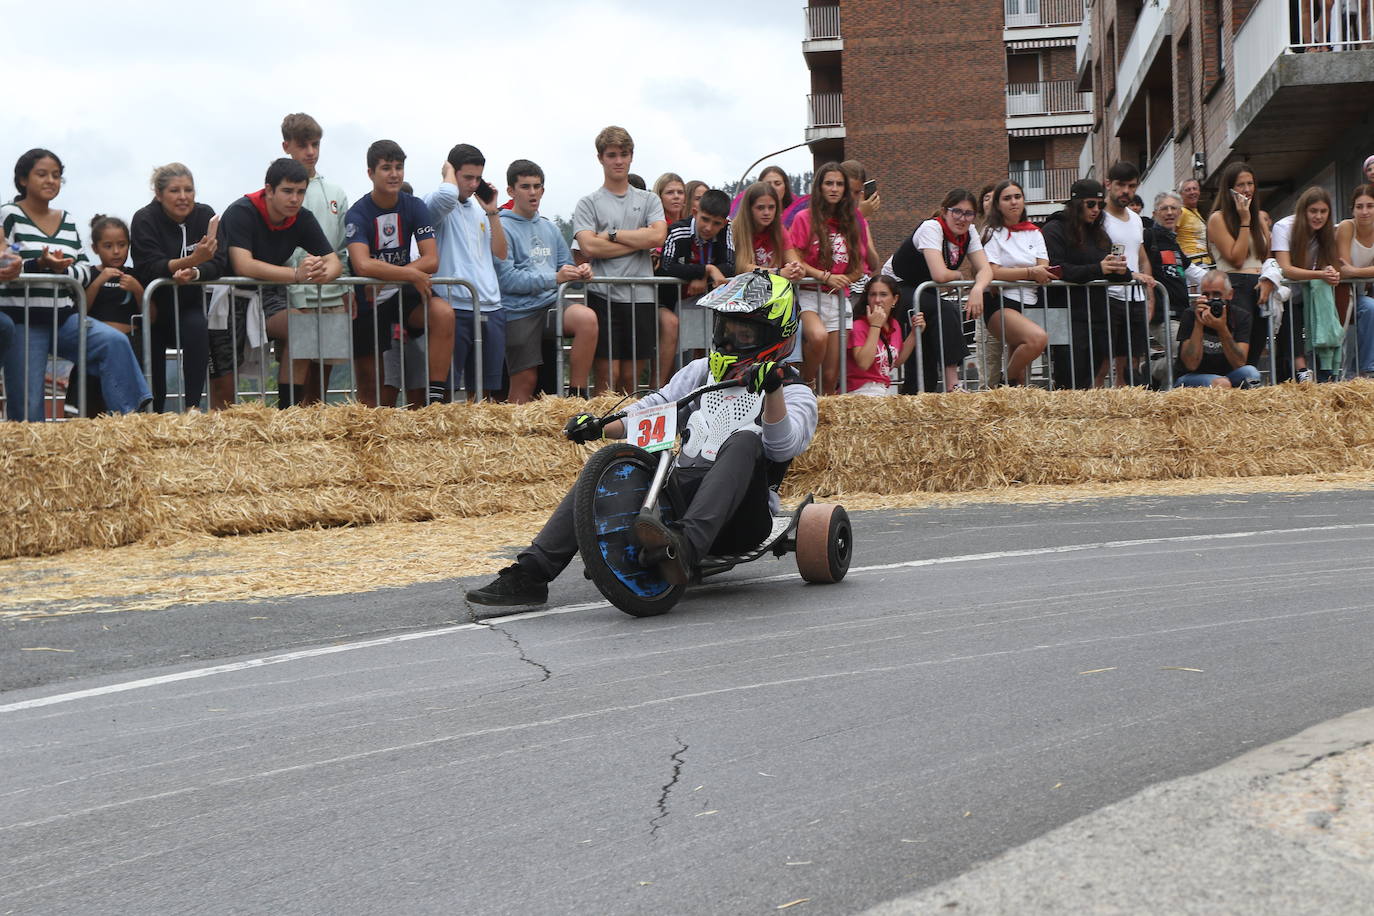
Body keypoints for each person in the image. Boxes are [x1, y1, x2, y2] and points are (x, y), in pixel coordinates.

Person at [465, 271, 816, 608]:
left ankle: (685, 552)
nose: (729, 342)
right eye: (726, 330)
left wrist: (772, 391)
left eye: (743, 335)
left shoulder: (795, 392)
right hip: (681, 502)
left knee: (746, 441)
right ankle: (531, 573)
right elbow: (656, 409)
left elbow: (783, 446)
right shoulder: (700, 372)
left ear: (775, 335)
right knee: (616, 461)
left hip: (742, 518)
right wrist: (603, 426)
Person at [1, 149, 151, 420]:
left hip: (64, 318)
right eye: (42, 174)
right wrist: (40, 264)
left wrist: (63, 268)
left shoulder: (67, 220)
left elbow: (84, 267)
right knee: (28, 406)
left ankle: (130, 422)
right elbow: (7, 261)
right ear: (23, 179)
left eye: (56, 176)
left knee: (113, 342)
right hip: (23, 319)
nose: (51, 181)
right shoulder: (9, 215)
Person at [214, 157, 342, 409]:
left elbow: (334, 261)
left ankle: (288, 415)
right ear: (269, 190)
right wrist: (296, 275)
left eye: (300, 192)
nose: (294, 198)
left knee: (304, 328)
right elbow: (244, 265)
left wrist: (322, 273)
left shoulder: (302, 218)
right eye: (287, 191)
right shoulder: (241, 211)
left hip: (268, 293)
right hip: (228, 297)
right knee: (223, 388)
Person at [344, 140, 455, 407]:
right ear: (370, 173)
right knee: (373, 391)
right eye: (386, 168)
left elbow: (431, 260)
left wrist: (402, 276)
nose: (394, 174)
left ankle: (436, 401)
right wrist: (412, 274)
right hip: (368, 302)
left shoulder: (415, 206)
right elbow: (362, 265)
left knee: (444, 313)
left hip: (402, 294)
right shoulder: (357, 213)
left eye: (399, 167)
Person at [572, 126, 667, 394]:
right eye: (612, 155)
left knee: (631, 376)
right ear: (601, 158)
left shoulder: (649, 199)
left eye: (623, 154)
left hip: (642, 295)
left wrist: (613, 236)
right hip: (604, 294)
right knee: (608, 374)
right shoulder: (588, 203)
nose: (618, 161)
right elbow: (588, 246)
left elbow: (658, 236)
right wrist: (638, 241)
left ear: (631, 156)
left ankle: (631, 431)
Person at [494, 158, 597, 402]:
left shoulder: (548, 227)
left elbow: (566, 267)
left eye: (537, 186)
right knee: (525, 383)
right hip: (518, 310)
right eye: (525, 186)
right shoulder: (501, 227)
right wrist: (555, 278)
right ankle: (514, 433)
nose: (533, 192)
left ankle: (576, 399)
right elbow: (507, 280)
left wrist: (580, 272)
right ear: (511, 191)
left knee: (587, 319)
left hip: (551, 305)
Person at [881, 188, 993, 393]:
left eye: (968, 214)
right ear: (944, 211)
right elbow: (940, 275)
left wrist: (977, 288)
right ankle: (953, 384)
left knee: (925, 346)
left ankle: (918, 394)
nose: (962, 218)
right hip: (897, 287)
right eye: (956, 212)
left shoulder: (970, 233)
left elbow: (986, 269)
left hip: (924, 289)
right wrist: (959, 276)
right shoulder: (931, 228)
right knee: (946, 310)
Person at [130, 163, 222, 412]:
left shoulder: (205, 216)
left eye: (188, 190)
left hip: (189, 304)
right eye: (174, 191)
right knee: (156, 379)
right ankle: (154, 419)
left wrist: (196, 271)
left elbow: (220, 262)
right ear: (158, 195)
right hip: (154, 310)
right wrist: (192, 260)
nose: (183, 197)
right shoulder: (144, 219)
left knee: (197, 328)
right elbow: (150, 266)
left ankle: (192, 410)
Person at [277, 113, 352, 405]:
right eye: (303, 145)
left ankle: (317, 428)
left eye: (315, 144)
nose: (310, 152)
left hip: (331, 292)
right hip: (294, 293)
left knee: (324, 371)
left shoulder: (335, 192)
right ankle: (290, 422)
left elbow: (343, 248)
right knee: (297, 361)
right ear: (287, 146)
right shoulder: (281, 193)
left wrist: (347, 289)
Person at [426, 143, 508, 401]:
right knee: (447, 389)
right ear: (452, 173)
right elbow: (446, 197)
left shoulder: (481, 210)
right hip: (454, 305)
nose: (473, 184)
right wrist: (447, 172)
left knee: (485, 391)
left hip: (489, 304)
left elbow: (501, 252)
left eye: (478, 178)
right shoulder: (435, 202)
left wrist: (492, 211)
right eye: (467, 177)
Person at [788, 163, 875, 393]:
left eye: (839, 184)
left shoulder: (852, 221)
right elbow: (796, 259)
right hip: (809, 295)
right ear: (819, 187)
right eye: (829, 183)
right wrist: (824, 276)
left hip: (838, 298)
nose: (834, 189)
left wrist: (845, 277)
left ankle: (824, 417)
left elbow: (859, 265)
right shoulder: (804, 218)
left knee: (830, 375)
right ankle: (805, 387)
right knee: (816, 338)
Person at [1041, 178, 1132, 390]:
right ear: (1075, 203)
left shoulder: (1098, 232)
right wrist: (1098, 269)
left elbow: (1110, 270)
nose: (1096, 210)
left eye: (1101, 205)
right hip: (1063, 313)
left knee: (1090, 376)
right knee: (1067, 376)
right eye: (1091, 204)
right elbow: (1057, 269)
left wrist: (1121, 271)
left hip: (1096, 314)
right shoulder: (1054, 229)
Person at [980, 180, 1050, 386]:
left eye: (1017, 197)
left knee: (1023, 370)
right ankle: (1005, 380)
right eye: (1007, 198)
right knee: (1036, 339)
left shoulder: (1034, 232)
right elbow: (992, 271)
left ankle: (1011, 390)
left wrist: (1024, 273)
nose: (1013, 202)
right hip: (1000, 301)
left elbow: (1043, 267)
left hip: (1030, 300)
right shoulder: (992, 232)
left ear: (1024, 201)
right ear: (998, 204)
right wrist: (1030, 272)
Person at [1272, 186, 1344, 381]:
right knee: (1290, 315)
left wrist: (1331, 273)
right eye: (1313, 211)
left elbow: (1333, 265)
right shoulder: (1283, 227)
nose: (1318, 216)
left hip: (1310, 294)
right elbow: (1285, 269)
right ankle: (1301, 370)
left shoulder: (1329, 232)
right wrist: (1321, 274)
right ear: (1303, 211)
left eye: (1323, 211)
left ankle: (1326, 370)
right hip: (1285, 293)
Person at [1208, 162, 1272, 369]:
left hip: (1259, 286)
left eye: (1250, 184)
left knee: (1257, 346)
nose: (1246, 190)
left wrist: (1269, 279)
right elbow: (1236, 258)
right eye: (1240, 185)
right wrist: (1244, 221)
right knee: (1239, 350)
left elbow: (1266, 256)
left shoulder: (1259, 218)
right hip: (1235, 284)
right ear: (1229, 189)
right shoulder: (1218, 219)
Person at [1098, 162, 1157, 387]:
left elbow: (1142, 256)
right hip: (1108, 295)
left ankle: (1126, 409)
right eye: (1121, 185)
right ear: (1108, 184)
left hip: (1135, 297)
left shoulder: (1135, 218)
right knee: (1103, 360)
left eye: (1131, 186)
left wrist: (1150, 297)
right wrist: (1133, 275)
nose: (1126, 191)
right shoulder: (1099, 218)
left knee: (1132, 359)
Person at [83, 215, 146, 415]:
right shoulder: (90, 274)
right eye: (108, 246)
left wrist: (138, 290)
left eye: (122, 244)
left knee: (128, 404)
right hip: (96, 345)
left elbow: (151, 316)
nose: (116, 251)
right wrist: (97, 282)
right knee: (94, 406)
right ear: (95, 248)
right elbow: (81, 310)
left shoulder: (136, 275)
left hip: (132, 345)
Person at [1175, 270, 1261, 388]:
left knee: (1251, 374)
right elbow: (1191, 364)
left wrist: (1222, 329)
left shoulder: (1241, 316)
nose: (1212, 300)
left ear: (1230, 294)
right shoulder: (1190, 315)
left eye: (1217, 295)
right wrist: (1198, 324)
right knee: (1221, 383)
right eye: (1206, 295)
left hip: (1228, 375)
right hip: (1190, 378)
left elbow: (1239, 363)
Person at [845, 275, 922, 395]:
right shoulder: (858, 325)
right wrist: (875, 326)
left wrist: (914, 334)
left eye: (883, 294)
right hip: (859, 391)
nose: (877, 300)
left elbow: (895, 362)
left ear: (895, 299)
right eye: (872, 294)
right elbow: (864, 364)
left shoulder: (894, 324)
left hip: (883, 390)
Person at [1144, 191, 1191, 385]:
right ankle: (1150, 370)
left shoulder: (1174, 241)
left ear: (1180, 213)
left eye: (1174, 208)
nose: (1170, 212)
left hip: (1182, 313)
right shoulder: (1148, 236)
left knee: (1188, 354)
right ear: (1155, 213)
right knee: (1183, 353)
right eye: (1164, 208)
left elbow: (1191, 270)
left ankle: (1154, 373)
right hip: (1162, 314)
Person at [1335, 183, 1374, 378]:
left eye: (1370, 206)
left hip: (1357, 293)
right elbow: (1344, 269)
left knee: (1370, 308)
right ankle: (1340, 374)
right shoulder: (1346, 227)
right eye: (1359, 207)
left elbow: (1351, 270)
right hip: (1335, 291)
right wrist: (1366, 272)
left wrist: (1356, 271)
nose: (1364, 211)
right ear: (1352, 209)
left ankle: (1365, 370)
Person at [731, 182, 804, 280]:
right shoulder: (735, 229)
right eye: (760, 207)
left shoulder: (780, 230)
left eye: (771, 207)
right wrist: (778, 272)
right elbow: (742, 267)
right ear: (749, 209)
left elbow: (794, 261)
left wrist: (797, 269)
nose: (767, 213)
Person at [1176, 178, 1213, 271]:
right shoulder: (1181, 212)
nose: (1192, 192)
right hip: (1193, 263)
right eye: (1187, 190)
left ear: (1199, 191)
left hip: (1202, 262)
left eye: (1195, 188)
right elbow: (1169, 234)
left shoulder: (1194, 212)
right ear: (1180, 195)